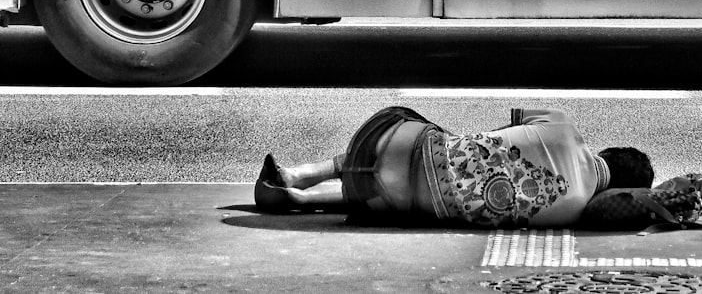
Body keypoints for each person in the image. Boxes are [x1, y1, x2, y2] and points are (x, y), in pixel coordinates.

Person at [254, 106, 654, 227]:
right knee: (416, 195)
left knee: (434, 142)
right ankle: (297, 199)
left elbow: (500, 131)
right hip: (398, 203)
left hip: (392, 144)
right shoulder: (576, 210)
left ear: (607, 150)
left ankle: (298, 175)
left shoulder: (563, 124)